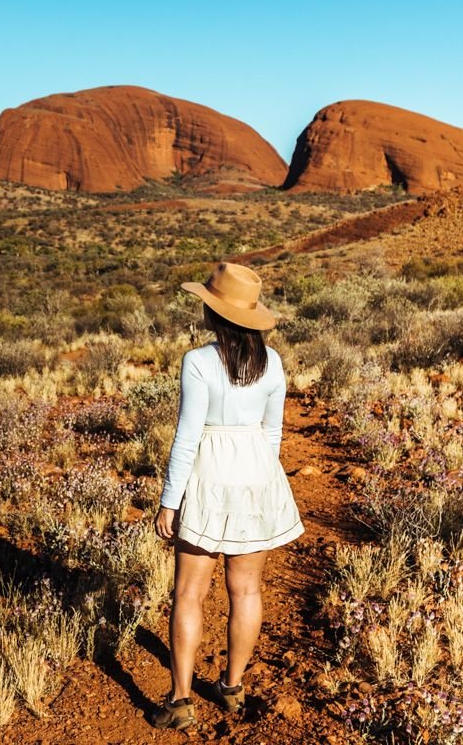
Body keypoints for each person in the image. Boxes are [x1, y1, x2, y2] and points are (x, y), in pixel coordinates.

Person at [149, 261, 305, 731]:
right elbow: (273, 431)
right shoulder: (272, 361)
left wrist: (169, 501)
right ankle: (232, 688)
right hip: (257, 474)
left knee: (189, 592)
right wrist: (257, 473)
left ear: (214, 314)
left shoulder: (198, 362)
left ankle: (180, 701)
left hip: (207, 475)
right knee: (247, 589)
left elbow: (187, 437)